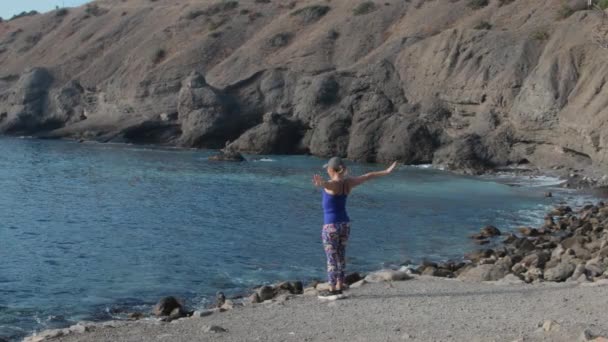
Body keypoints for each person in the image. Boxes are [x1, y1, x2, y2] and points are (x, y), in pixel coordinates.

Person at [312, 157, 398, 299]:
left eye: (327, 168)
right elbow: (368, 176)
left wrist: (323, 184)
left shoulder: (332, 184)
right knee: (341, 256)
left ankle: (332, 290)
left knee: (332, 259)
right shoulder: (349, 183)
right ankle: (340, 286)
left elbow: (329, 185)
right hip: (345, 224)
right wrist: (387, 171)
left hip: (331, 226)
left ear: (331, 170)